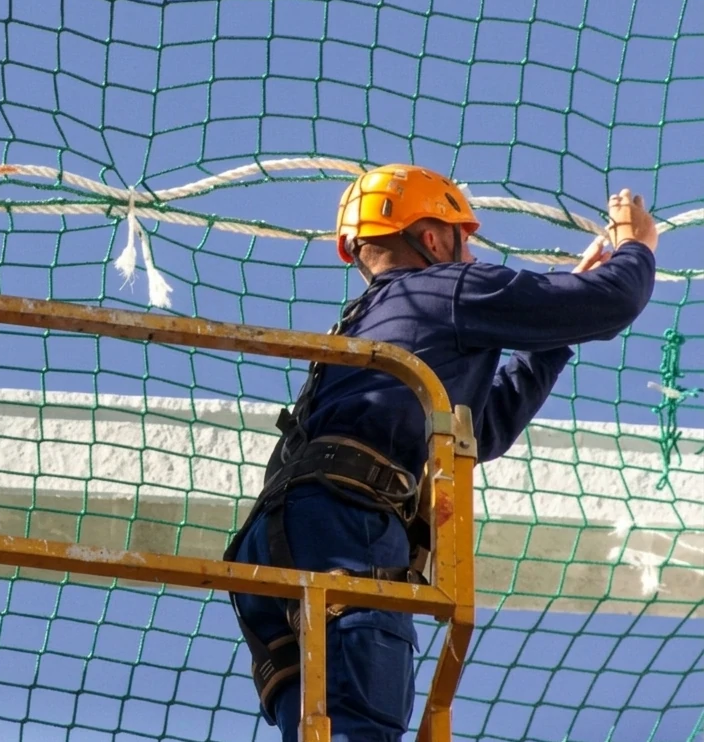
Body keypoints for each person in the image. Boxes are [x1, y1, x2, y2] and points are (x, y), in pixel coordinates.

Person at [224, 164, 658, 741]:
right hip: (349, 521)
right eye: (464, 238)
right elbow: (611, 301)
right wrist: (636, 246)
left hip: (276, 539)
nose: (471, 255)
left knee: (316, 725)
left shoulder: (365, 325)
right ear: (432, 237)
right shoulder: (448, 288)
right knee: (359, 722)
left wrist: (552, 338)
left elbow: (485, 428)